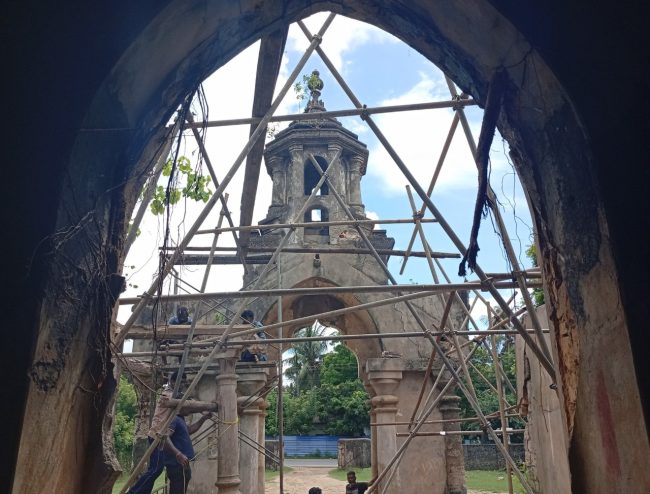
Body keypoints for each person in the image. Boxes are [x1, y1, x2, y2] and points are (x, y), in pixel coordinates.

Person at [126, 371, 216, 494]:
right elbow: (187, 405)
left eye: (184, 382)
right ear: (173, 382)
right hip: (157, 435)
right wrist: (205, 407)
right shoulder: (168, 395)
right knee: (155, 469)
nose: (183, 385)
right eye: (181, 382)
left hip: (162, 437)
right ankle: (134, 492)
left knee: (157, 469)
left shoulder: (178, 414)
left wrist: (203, 414)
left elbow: (188, 408)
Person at [163, 411, 213, 494]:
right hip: (177, 464)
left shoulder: (180, 419)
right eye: (189, 406)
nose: (191, 411)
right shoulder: (174, 418)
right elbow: (165, 437)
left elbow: (189, 430)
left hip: (183, 464)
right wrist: (178, 454)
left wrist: (203, 418)